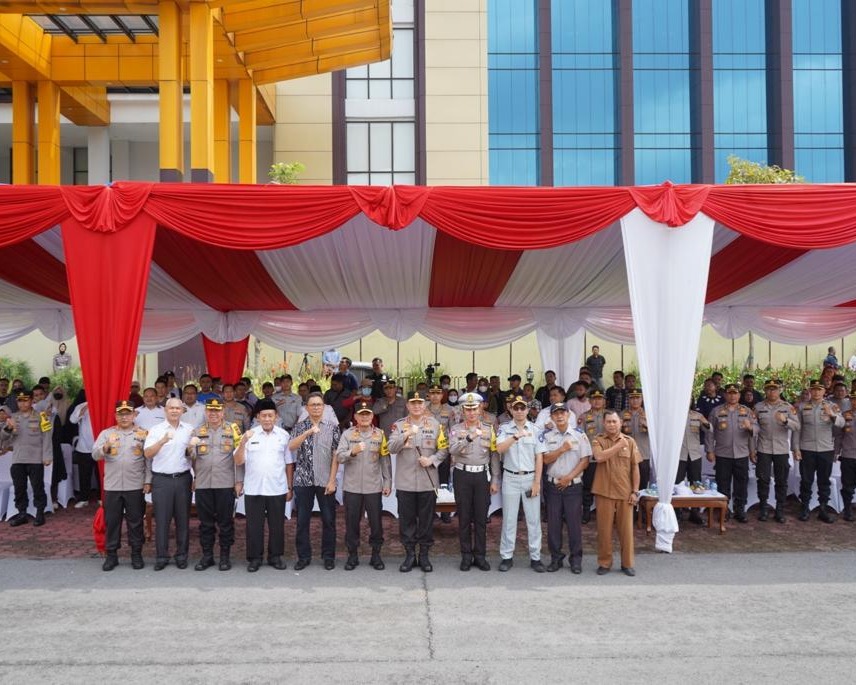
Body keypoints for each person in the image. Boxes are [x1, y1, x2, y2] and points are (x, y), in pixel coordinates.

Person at [387, 391, 448, 573]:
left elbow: (444, 449)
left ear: (424, 405)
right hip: (405, 482)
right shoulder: (398, 426)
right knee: (406, 521)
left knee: (426, 521)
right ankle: (409, 555)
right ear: (407, 406)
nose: (416, 406)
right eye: (413, 403)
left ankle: (424, 555)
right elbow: (390, 447)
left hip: (427, 482)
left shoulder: (436, 425)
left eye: (420, 403)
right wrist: (405, 435)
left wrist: (432, 460)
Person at [234, 398, 294, 572]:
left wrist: (289, 487)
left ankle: (275, 556)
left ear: (276, 417)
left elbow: (289, 463)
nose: (267, 419)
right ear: (258, 417)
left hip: (277, 487)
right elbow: (238, 461)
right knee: (254, 526)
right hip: (254, 488)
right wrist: (243, 442)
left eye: (270, 415)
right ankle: (255, 558)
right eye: (264, 416)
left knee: (277, 526)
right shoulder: (250, 435)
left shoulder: (284, 436)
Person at [92, 401, 150, 571]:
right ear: (116, 416)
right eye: (121, 414)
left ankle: (136, 554)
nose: (124, 417)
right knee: (112, 522)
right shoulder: (107, 433)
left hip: (135, 485)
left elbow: (148, 460)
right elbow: (95, 455)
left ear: (134, 415)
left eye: (127, 414)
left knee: (136, 521)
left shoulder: (143, 434)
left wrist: (148, 481)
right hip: (113, 486)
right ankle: (112, 555)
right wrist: (105, 448)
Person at [288, 392, 341, 570]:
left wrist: (332, 480)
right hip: (303, 480)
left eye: (319, 404)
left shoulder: (333, 427)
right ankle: (303, 556)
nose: (316, 407)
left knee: (328, 519)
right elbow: (291, 446)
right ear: (307, 408)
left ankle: (328, 556)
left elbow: (336, 455)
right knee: (303, 520)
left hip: (325, 479)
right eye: (313, 405)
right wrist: (308, 432)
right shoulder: (300, 426)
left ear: (324, 407)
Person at [336, 401, 392, 570]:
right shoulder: (347, 434)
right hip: (352, 487)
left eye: (367, 414)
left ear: (372, 416)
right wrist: (352, 452)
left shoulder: (380, 435)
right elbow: (339, 456)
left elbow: (385, 460)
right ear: (355, 417)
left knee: (376, 523)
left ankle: (376, 555)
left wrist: (387, 482)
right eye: (361, 414)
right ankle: (352, 555)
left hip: (373, 486)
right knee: (352, 522)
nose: (365, 417)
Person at [448, 392, 500, 571]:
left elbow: (494, 456)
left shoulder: (489, 429)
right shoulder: (456, 429)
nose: (471, 412)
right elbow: (452, 450)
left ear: (480, 409)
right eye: (467, 409)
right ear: (462, 411)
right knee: (464, 517)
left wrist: (495, 479)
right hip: (462, 475)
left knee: (480, 518)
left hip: (481, 477)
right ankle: (466, 556)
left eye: (474, 409)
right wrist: (468, 438)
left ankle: (480, 556)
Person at [190, 399, 244, 572]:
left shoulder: (233, 430)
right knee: (205, 523)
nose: (213, 414)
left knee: (225, 522)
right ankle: (207, 557)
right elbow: (190, 458)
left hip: (225, 483)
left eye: (217, 411)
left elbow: (240, 458)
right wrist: (194, 477)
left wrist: (238, 481)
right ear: (206, 412)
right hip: (203, 483)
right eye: (210, 411)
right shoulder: (197, 431)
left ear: (222, 412)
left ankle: (225, 557)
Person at [495, 396, 545, 573]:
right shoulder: (504, 429)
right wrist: (515, 436)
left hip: (530, 477)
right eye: (515, 408)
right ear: (511, 410)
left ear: (527, 409)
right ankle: (507, 556)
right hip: (511, 477)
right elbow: (499, 449)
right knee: (509, 519)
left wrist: (537, 482)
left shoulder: (536, 429)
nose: (519, 411)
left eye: (522, 408)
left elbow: (539, 457)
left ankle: (535, 557)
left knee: (533, 520)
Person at [143, 397, 194, 570]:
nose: (174, 411)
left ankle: (181, 555)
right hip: (162, 480)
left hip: (183, 478)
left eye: (177, 408)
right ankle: (161, 556)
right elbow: (148, 454)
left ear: (182, 411)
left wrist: (192, 449)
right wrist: (162, 441)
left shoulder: (189, 430)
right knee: (162, 520)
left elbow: (193, 457)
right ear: (165, 410)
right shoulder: (156, 430)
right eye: (171, 408)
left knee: (182, 520)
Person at [541, 403, 591, 574]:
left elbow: (585, 461)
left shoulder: (579, 435)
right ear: (552, 417)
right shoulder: (546, 436)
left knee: (574, 524)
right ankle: (556, 559)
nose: (560, 416)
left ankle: (576, 559)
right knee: (553, 524)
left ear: (569, 415)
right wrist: (562, 449)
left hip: (572, 486)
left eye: (563, 413)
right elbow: (545, 460)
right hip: (553, 485)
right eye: (556, 413)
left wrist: (569, 477)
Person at [592, 409, 641, 576]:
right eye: (609, 422)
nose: (612, 425)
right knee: (604, 531)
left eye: (614, 421)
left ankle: (627, 564)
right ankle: (604, 563)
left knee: (626, 532)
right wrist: (618, 446)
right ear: (604, 424)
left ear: (620, 422)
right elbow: (599, 457)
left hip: (625, 492)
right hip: (603, 491)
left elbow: (635, 468)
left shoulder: (630, 441)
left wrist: (635, 491)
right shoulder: (598, 440)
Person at [705, 383, 757, 523]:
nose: (733, 396)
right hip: (723, 454)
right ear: (725, 395)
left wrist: (750, 427)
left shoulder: (746, 411)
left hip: (741, 453)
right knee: (723, 483)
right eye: (730, 393)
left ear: (739, 395)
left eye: (735, 393)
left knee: (742, 483)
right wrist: (709, 450)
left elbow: (755, 431)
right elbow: (709, 433)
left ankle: (740, 510)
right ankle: (724, 509)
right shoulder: (716, 411)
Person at [794, 380, 844, 523]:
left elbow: (841, 423)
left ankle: (823, 509)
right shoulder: (803, 407)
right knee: (806, 480)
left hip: (825, 449)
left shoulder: (831, 406)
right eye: (813, 389)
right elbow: (797, 429)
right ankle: (804, 508)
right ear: (810, 391)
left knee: (824, 481)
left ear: (824, 391)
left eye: (819, 390)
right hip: (807, 449)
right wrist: (796, 448)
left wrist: (832, 415)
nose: (816, 392)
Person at [2, 391, 53, 527]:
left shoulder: (41, 417)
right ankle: (22, 513)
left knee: (38, 487)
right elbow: (3, 438)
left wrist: (47, 456)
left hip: (35, 459)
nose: (22, 403)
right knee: (19, 488)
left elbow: (47, 437)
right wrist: (8, 428)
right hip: (18, 459)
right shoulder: (13, 417)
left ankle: (40, 513)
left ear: (31, 401)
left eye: (25, 400)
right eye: (20, 401)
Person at [753, 380, 799, 523]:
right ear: (765, 391)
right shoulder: (758, 407)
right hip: (763, 448)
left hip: (781, 449)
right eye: (769, 389)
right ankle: (763, 508)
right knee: (763, 479)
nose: (772, 392)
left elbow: (797, 426)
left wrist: (786, 421)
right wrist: (752, 449)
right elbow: (754, 427)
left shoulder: (788, 407)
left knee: (781, 481)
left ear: (780, 390)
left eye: (774, 389)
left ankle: (780, 510)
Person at [677, 403, 710, 524]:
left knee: (696, 483)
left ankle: (695, 512)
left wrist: (704, 422)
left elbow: (709, 429)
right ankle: (677, 512)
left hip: (694, 454)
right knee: (677, 484)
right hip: (679, 455)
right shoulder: (674, 415)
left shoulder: (697, 415)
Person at [578, 389, 606, 523]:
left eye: (599, 398)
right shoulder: (583, 417)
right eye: (594, 399)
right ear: (589, 401)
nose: (597, 401)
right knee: (588, 486)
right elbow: (581, 438)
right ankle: (586, 512)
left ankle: (604, 512)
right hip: (591, 457)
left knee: (606, 486)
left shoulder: (610, 416)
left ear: (604, 401)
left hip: (607, 458)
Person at [69, 401, 99, 508]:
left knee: (100, 474)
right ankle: (84, 498)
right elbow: (72, 420)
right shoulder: (81, 405)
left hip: (100, 446)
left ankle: (101, 497)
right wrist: (82, 410)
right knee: (84, 474)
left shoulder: (103, 402)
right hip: (83, 446)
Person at [621, 390, 650, 490]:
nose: (635, 400)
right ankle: (630, 505)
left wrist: (647, 425)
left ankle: (642, 505)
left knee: (643, 483)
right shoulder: (622, 414)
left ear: (642, 399)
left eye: (637, 398)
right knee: (626, 482)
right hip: (626, 453)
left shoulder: (649, 414)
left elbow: (657, 434)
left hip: (643, 453)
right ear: (629, 400)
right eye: (632, 398)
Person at [836, 394, 856, 521]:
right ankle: (847, 509)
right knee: (847, 485)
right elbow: (838, 435)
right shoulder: (845, 415)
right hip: (848, 454)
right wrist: (837, 451)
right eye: (853, 399)